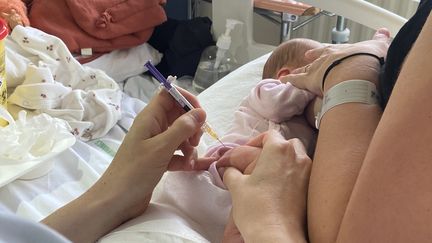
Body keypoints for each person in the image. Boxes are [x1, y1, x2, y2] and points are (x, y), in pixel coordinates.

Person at [221, 1, 432, 242]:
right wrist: (344, 72)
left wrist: (351, 68)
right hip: (247, 162)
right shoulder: (267, 91)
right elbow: (277, 104)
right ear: (286, 75)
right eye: (316, 63)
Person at [206, 38, 322, 189]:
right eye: (315, 72)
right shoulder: (266, 90)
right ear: (284, 75)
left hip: (268, 174)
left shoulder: (308, 121)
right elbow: (276, 107)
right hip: (230, 155)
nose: (320, 81)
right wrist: (311, 85)